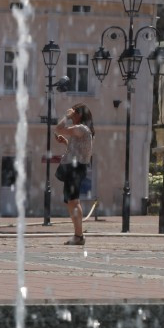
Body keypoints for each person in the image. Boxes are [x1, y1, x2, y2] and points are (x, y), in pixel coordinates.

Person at [55, 103, 95, 246]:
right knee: (71, 202)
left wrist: (66, 116)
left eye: (74, 113)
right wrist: (66, 143)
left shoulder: (81, 128)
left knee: (74, 201)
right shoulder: (83, 130)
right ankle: (78, 235)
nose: (72, 116)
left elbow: (58, 128)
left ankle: (79, 235)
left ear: (79, 115)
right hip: (76, 167)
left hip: (75, 168)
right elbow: (78, 151)